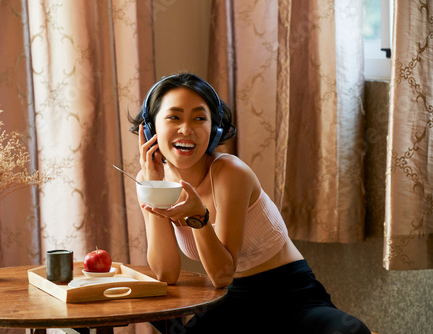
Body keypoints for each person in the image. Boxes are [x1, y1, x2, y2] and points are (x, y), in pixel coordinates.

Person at [129, 73, 371, 333]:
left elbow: (222, 274)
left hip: (291, 295)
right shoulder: (149, 180)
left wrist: (199, 218)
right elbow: (166, 273)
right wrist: (153, 188)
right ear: (150, 127)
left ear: (214, 130)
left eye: (200, 118)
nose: (187, 129)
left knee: (351, 331)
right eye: (174, 117)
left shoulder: (230, 172)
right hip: (229, 301)